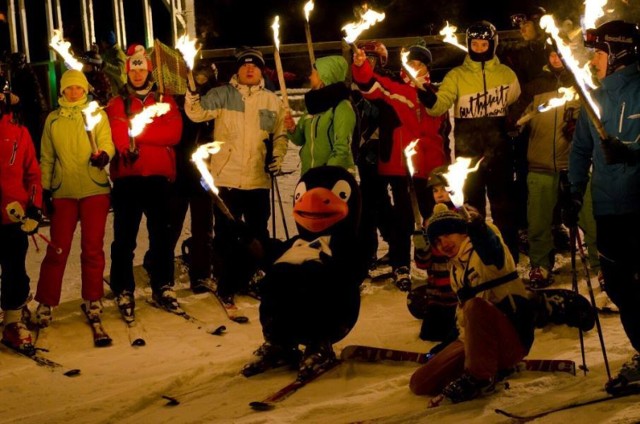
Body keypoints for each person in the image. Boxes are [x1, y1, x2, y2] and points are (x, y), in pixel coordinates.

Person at [566, 20, 640, 394]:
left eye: (598, 53)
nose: (592, 60)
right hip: (607, 208)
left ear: (618, 53)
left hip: (639, 206)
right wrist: (573, 190)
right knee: (618, 284)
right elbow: (580, 149)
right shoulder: (593, 95)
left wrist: (631, 152)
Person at [183, 47, 287, 306]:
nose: (249, 69)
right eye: (244, 65)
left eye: (254, 66)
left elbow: (280, 134)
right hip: (226, 178)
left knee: (257, 233)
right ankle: (226, 281)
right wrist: (192, 90)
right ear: (237, 70)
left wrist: (277, 157)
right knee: (226, 234)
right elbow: (196, 112)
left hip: (257, 179)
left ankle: (251, 277)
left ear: (261, 70)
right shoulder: (223, 95)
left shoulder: (271, 100)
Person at [418, 20, 521, 264]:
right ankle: (475, 257)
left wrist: (514, 122)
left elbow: (517, 103)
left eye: (484, 43)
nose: (479, 48)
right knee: (471, 209)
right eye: (474, 43)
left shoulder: (506, 74)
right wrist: (426, 94)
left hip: (499, 150)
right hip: (468, 152)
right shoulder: (456, 76)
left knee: (504, 209)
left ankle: (508, 259)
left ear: (492, 45)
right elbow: (438, 107)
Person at [409, 204, 534, 404]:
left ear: (461, 231)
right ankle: (486, 369)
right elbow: (462, 317)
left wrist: (478, 227)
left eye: (447, 234)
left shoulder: (484, 249)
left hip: (512, 334)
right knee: (420, 383)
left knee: (475, 305)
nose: (444, 244)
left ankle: (480, 378)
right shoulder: (455, 270)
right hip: (475, 342)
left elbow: (490, 247)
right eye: (438, 241)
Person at [352, 42, 450, 291]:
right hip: (400, 165)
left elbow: (444, 127)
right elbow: (368, 85)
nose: (415, 68)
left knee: (433, 216)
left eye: (420, 64)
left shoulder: (438, 94)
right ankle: (400, 264)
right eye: (412, 63)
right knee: (403, 219)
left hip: (430, 166)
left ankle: (437, 264)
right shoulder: (394, 89)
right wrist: (361, 65)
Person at [509, 45, 600, 288]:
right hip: (540, 164)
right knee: (538, 220)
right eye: (551, 54)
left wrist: (578, 128)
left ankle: (601, 268)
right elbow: (519, 119)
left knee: (590, 218)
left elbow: (596, 119)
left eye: (560, 54)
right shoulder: (536, 86)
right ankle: (540, 265)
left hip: (575, 165)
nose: (556, 58)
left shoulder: (582, 83)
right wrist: (514, 125)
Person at [106, 45, 182, 317]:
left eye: (141, 68)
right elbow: (118, 136)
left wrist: (140, 133)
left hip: (159, 178)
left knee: (162, 235)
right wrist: (131, 142)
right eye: (132, 69)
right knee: (124, 238)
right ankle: (122, 286)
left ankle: (163, 284)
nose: (137, 74)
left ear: (148, 70)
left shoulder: (164, 100)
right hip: (128, 179)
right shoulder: (117, 103)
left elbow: (173, 133)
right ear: (127, 72)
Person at [34, 70, 114, 327]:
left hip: (94, 190)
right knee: (57, 248)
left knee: (92, 249)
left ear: (85, 90)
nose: (74, 92)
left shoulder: (96, 114)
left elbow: (107, 143)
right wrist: (45, 190)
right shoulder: (53, 121)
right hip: (63, 192)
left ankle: (93, 298)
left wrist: (103, 156)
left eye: (78, 88)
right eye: (69, 88)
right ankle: (46, 301)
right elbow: (46, 158)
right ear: (62, 91)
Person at [168, 59, 218, 293]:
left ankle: (201, 273)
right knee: (172, 223)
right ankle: (161, 269)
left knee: (203, 225)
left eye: (204, 76)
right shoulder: (180, 101)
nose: (200, 81)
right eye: (196, 76)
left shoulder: (215, 103)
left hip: (204, 170)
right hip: (180, 170)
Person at [0, 96, 42, 355]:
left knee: (15, 270)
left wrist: (35, 206)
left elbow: (32, 172)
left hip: (12, 216)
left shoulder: (18, 130)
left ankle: (13, 321)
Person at [352, 41, 394, 270]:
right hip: (362, 149)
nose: (366, 63)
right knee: (372, 199)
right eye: (363, 58)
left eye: (371, 59)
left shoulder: (385, 81)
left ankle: (379, 248)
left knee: (372, 201)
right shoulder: (353, 85)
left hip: (382, 147)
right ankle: (373, 249)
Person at [408, 167, 458, 342]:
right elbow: (423, 263)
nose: (439, 194)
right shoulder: (428, 222)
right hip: (437, 293)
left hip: (458, 294)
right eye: (435, 190)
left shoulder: (462, 217)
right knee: (429, 335)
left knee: (456, 335)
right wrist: (421, 248)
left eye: (444, 189)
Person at [284, 55, 356, 175]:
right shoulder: (313, 106)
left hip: (334, 177)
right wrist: (292, 129)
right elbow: (300, 140)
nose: (310, 76)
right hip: (310, 175)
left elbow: (342, 147)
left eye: (314, 73)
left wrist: (326, 173)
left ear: (324, 77)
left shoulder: (342, 107)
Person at [7, 52, 50, 159]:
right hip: (35, 108)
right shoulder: (26, 71)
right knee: (34, 133)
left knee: (34, 133)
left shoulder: (22, 73)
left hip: (32, 108)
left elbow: (25, 94)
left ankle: (35, 156)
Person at [98, 30, 127, 98]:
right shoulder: (108, 53)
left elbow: (120, 71)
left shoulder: (118, 53)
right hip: (113, 91)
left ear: (105, 42)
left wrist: (106, 66)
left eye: (102, 42)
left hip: (121, 91)